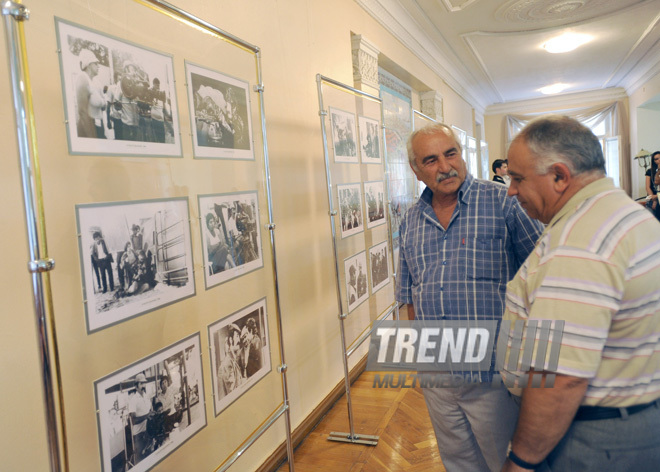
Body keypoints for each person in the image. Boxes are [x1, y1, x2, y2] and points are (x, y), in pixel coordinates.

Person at [500, 115, 660, 471]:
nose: (510, 189)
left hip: (590, 438)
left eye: (517, 178)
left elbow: (560, 376)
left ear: (559, 176)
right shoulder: (624, 214)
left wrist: (521, 460)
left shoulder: (581, 241)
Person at [396, 123, 544, 472]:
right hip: (438, 374)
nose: (445, 166)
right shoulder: (410, 221)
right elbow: (409, 295)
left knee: (504, 462)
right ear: (416, 170)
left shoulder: (503, 202)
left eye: (451, 153)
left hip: (494, 372)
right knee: (458, 462)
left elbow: (542, 277)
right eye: (430, 160)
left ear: (462, 154)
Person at [75, 48, 105, 139]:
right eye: (95, 63)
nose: (98, 66)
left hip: (99, 124)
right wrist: (92, 138)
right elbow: (82, 112)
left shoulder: (96, 81)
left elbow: (104, 105)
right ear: (88, 64)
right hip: (88, 127)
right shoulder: (82, 78)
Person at [128, 373, 154, 464]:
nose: (143, 385)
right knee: (140, 462)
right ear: (136, 386)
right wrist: (147, 415)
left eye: (144, 383)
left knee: (151, 459)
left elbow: (150, 410)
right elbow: (133, 420)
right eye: (141, 383)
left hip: (149, 432)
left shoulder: (147, 396)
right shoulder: (133, 400)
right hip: (139, 435)